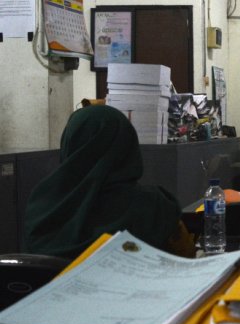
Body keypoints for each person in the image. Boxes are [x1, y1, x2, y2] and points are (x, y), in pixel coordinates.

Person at [23, 105, 195, 259]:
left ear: (70, 143)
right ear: (127, 145)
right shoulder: (155, 207)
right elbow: (187, 259)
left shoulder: (41, 206)